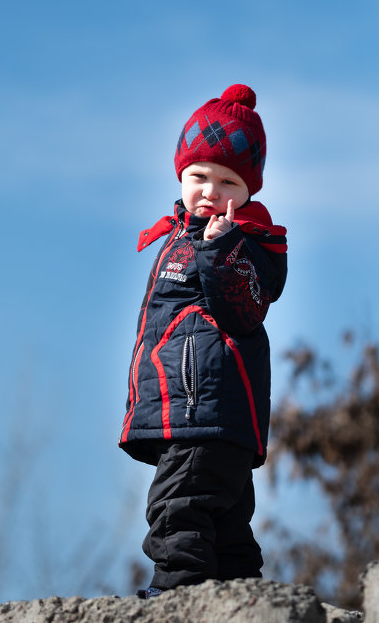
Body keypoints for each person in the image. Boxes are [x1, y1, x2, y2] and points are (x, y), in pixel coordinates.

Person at [118, 84, 287, 598]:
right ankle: (243, 602)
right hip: (189, 410)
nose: (211, 191)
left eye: (227, 181)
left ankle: (176, 599)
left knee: (178, 508)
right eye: (199, 177)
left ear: (249, 189)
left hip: (208, 412)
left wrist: (222, 249)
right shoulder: (177, 236)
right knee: (227, 524)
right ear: (180, 176)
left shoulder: (250, 240)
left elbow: (244, 308)